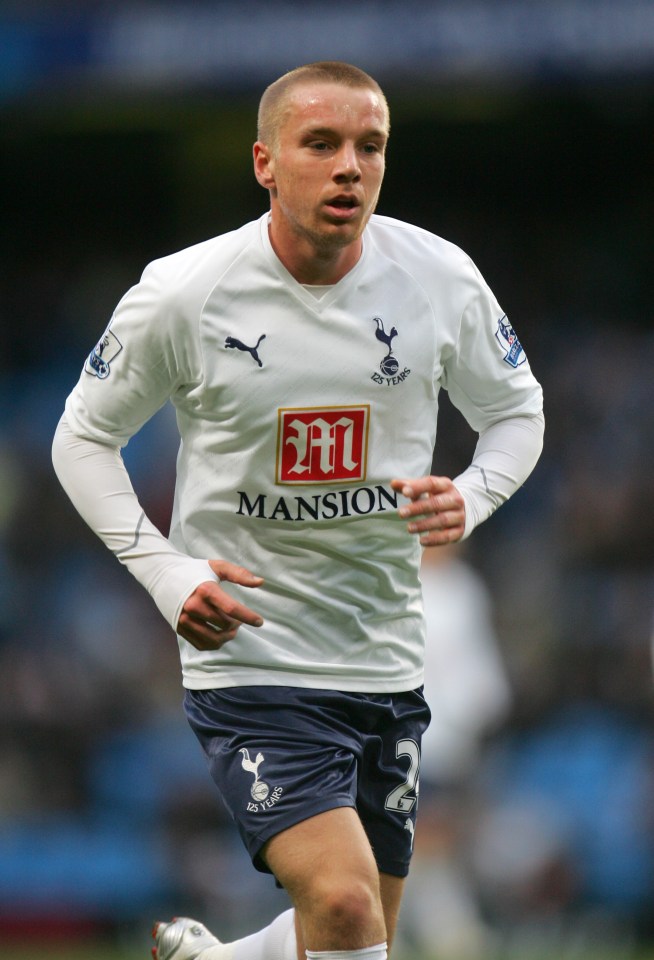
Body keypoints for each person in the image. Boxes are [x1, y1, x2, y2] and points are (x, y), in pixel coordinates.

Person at [51, 61, 544, 960]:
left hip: (386, 650)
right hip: (255, 655)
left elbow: (516, 412)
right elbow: (79, 440)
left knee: (358, 929)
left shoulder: (438, 278)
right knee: (350, 908)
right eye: (321, 144)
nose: (349, 166)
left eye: (370, 146)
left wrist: (471, 498)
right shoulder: (186, 291)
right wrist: (166, 575)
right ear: (265, 163)